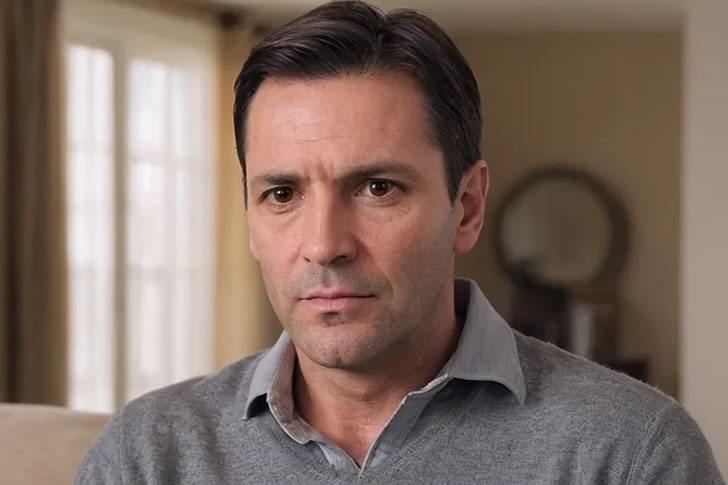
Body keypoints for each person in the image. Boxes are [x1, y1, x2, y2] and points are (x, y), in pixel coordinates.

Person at [75, 1, 725, 483]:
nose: (324, 244)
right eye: (282, 193)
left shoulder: (631, 452)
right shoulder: (148, 456)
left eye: (377, 187)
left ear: (467, 207)